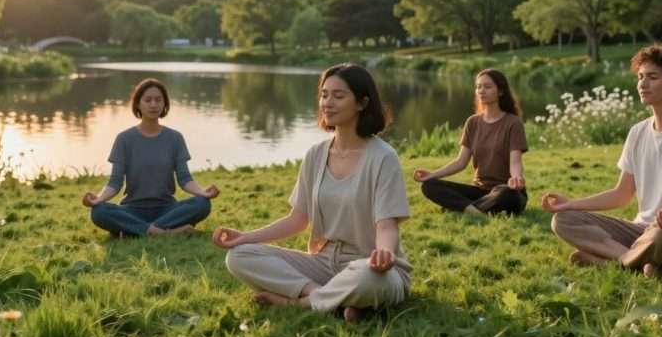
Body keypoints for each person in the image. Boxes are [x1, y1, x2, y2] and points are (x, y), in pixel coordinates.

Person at [213, 64, 410, 322]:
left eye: (338, 96)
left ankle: (299, 303)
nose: (327, 103)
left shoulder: (384, 157)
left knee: (368, 279)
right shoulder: (315, 155)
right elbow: (298, 219)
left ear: (362, 103)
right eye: (324, 94)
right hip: (324, 264)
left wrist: (384, 253)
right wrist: (245, 238)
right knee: (239, 256)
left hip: (371, 266)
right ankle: (327, 297)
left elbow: (387, 226)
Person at [542, 44, 662, 277]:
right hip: (642, 231)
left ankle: (620, 261)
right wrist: (569, 205)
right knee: (564, 221)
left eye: (652, 77)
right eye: (640, 77)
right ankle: (638, 263)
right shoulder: (638, 132)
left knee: (661, 237)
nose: (642, 84)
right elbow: (621, 195)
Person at [82, 78, 219, 237]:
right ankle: (163, 232)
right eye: (147, 100)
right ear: (138, 104)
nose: (153, 104)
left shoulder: (175, 138)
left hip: (167, 209)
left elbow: (184, 178)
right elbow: (115, 182)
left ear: (164, 104)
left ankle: (137, 230)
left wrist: (203, 192)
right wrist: (98, 199)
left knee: (202, 204)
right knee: (99, 212)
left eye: (158, 100)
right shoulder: (124, 139)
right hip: (132, 210)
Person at [413, 69, 529, 216]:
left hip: (505, 190)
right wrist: (432, 175)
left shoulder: (513, 123)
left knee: (507, 194)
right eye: (478, 86)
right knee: (429, 186)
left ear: (500, 91)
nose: (481, 91)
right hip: (479, 191)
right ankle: (474, 209)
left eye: (487, 87)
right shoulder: (473, 122)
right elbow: (460, 162)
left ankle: (461, 207)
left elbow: (515, 162)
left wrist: (517, 178)